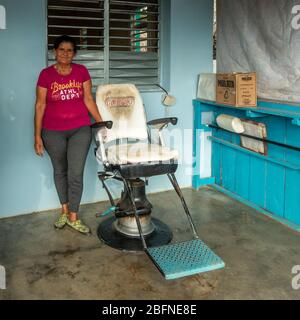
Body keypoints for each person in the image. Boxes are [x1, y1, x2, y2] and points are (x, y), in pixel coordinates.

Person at [34, 35, 103, 234]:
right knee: (59, 171)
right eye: (61, 49)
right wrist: (37, 136)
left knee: (75, 173)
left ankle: (73, 215)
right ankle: (64, 210)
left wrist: (101, 122)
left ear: (74, 53)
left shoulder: (81, 71)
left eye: (70, 50)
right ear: (55, 51)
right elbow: (40, 105)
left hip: (80, 129)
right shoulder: (45, 75)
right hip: (52, 131)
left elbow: (89, 100)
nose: (65, 53)